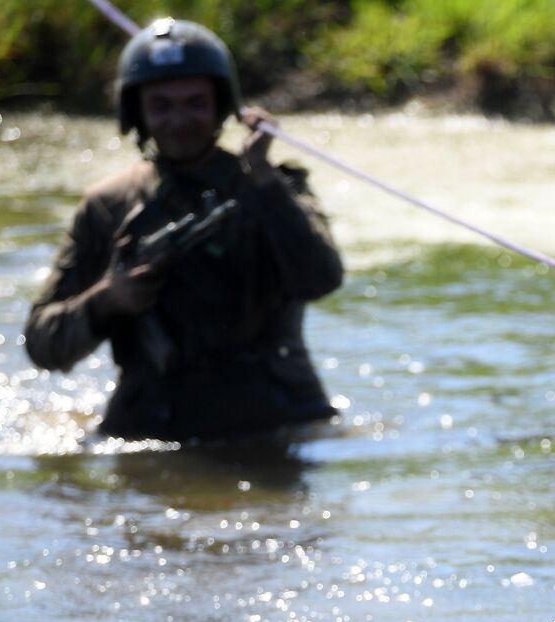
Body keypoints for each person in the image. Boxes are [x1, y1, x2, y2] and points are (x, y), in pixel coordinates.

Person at [25, 18, 343, 443]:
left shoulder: (272, 185)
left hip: (276, 419)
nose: (179, 119)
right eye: (162, 105)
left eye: (196, 103)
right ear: (137, 112)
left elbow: (321, 277)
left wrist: (265, 179)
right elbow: (43, 343)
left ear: (221, 106)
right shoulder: (108, 207)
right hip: (152, 427)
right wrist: (105, 300)